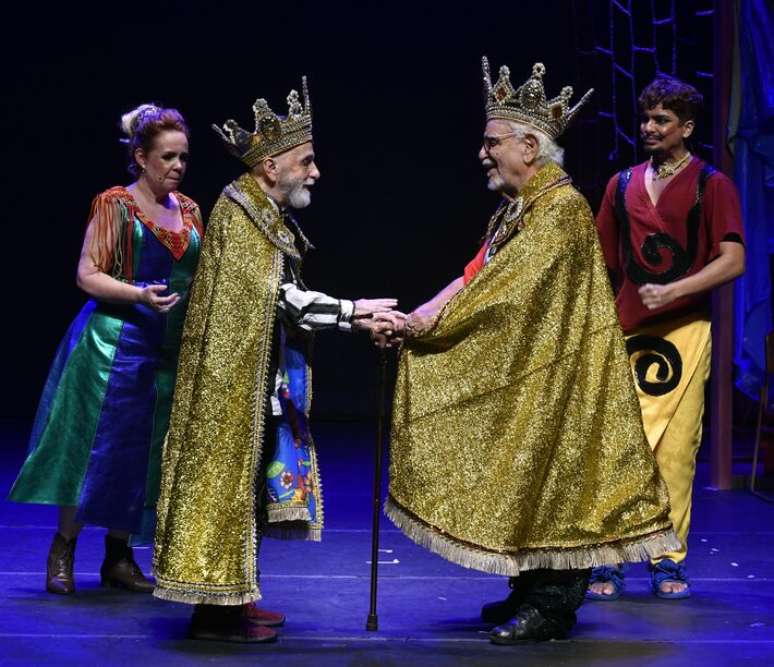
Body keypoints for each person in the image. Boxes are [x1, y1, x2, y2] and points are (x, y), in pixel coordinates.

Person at [375, 59, 679, 644]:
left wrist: (428, 330)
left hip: (562, 378)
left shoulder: (559, 209)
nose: (482, 154)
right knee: (529, 474)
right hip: (536, 373)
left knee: (559, 477)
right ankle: (528, 587)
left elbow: (506, 296)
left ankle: (553, 605)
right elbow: (478, 275)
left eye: (493, 143)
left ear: (530, 145)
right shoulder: (520, 208)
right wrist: (418, 317)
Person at [152, 77, 400, 643]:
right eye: (306, 161)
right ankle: (214, 612)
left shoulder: (262, 214)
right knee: (227, 487)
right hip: (228, 385)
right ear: (271, 167)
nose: (315, 173)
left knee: (252, 488)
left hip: (255, 377)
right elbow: (275, 299)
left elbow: (277, 300)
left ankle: (237, 596)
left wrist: (349, 315)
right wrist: (353, 311)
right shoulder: (240, 215)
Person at [9, 105, 203, 595]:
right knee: (92, 451)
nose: (178, 166)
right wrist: (139, 294)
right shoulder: (115, 205)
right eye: (167, 157)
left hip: (167, 351)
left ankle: (119, 558)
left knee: (147, 455)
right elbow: (87, 274)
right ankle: (64, 549)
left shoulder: (192, 212)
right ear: (141, 157)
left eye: (183, 157)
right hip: (112, 347)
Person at [588, 76, 745, 601]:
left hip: (684, 331)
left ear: (687, 127)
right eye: (646, 119)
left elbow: (733, 259)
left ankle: (665, 557)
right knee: (618, 448)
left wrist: (674, 289)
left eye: (662, 121)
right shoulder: (623, 184)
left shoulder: (711, 184)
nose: (649, 128)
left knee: (674, 453)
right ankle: (607, 558)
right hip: (627, 330)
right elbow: (601, 263)